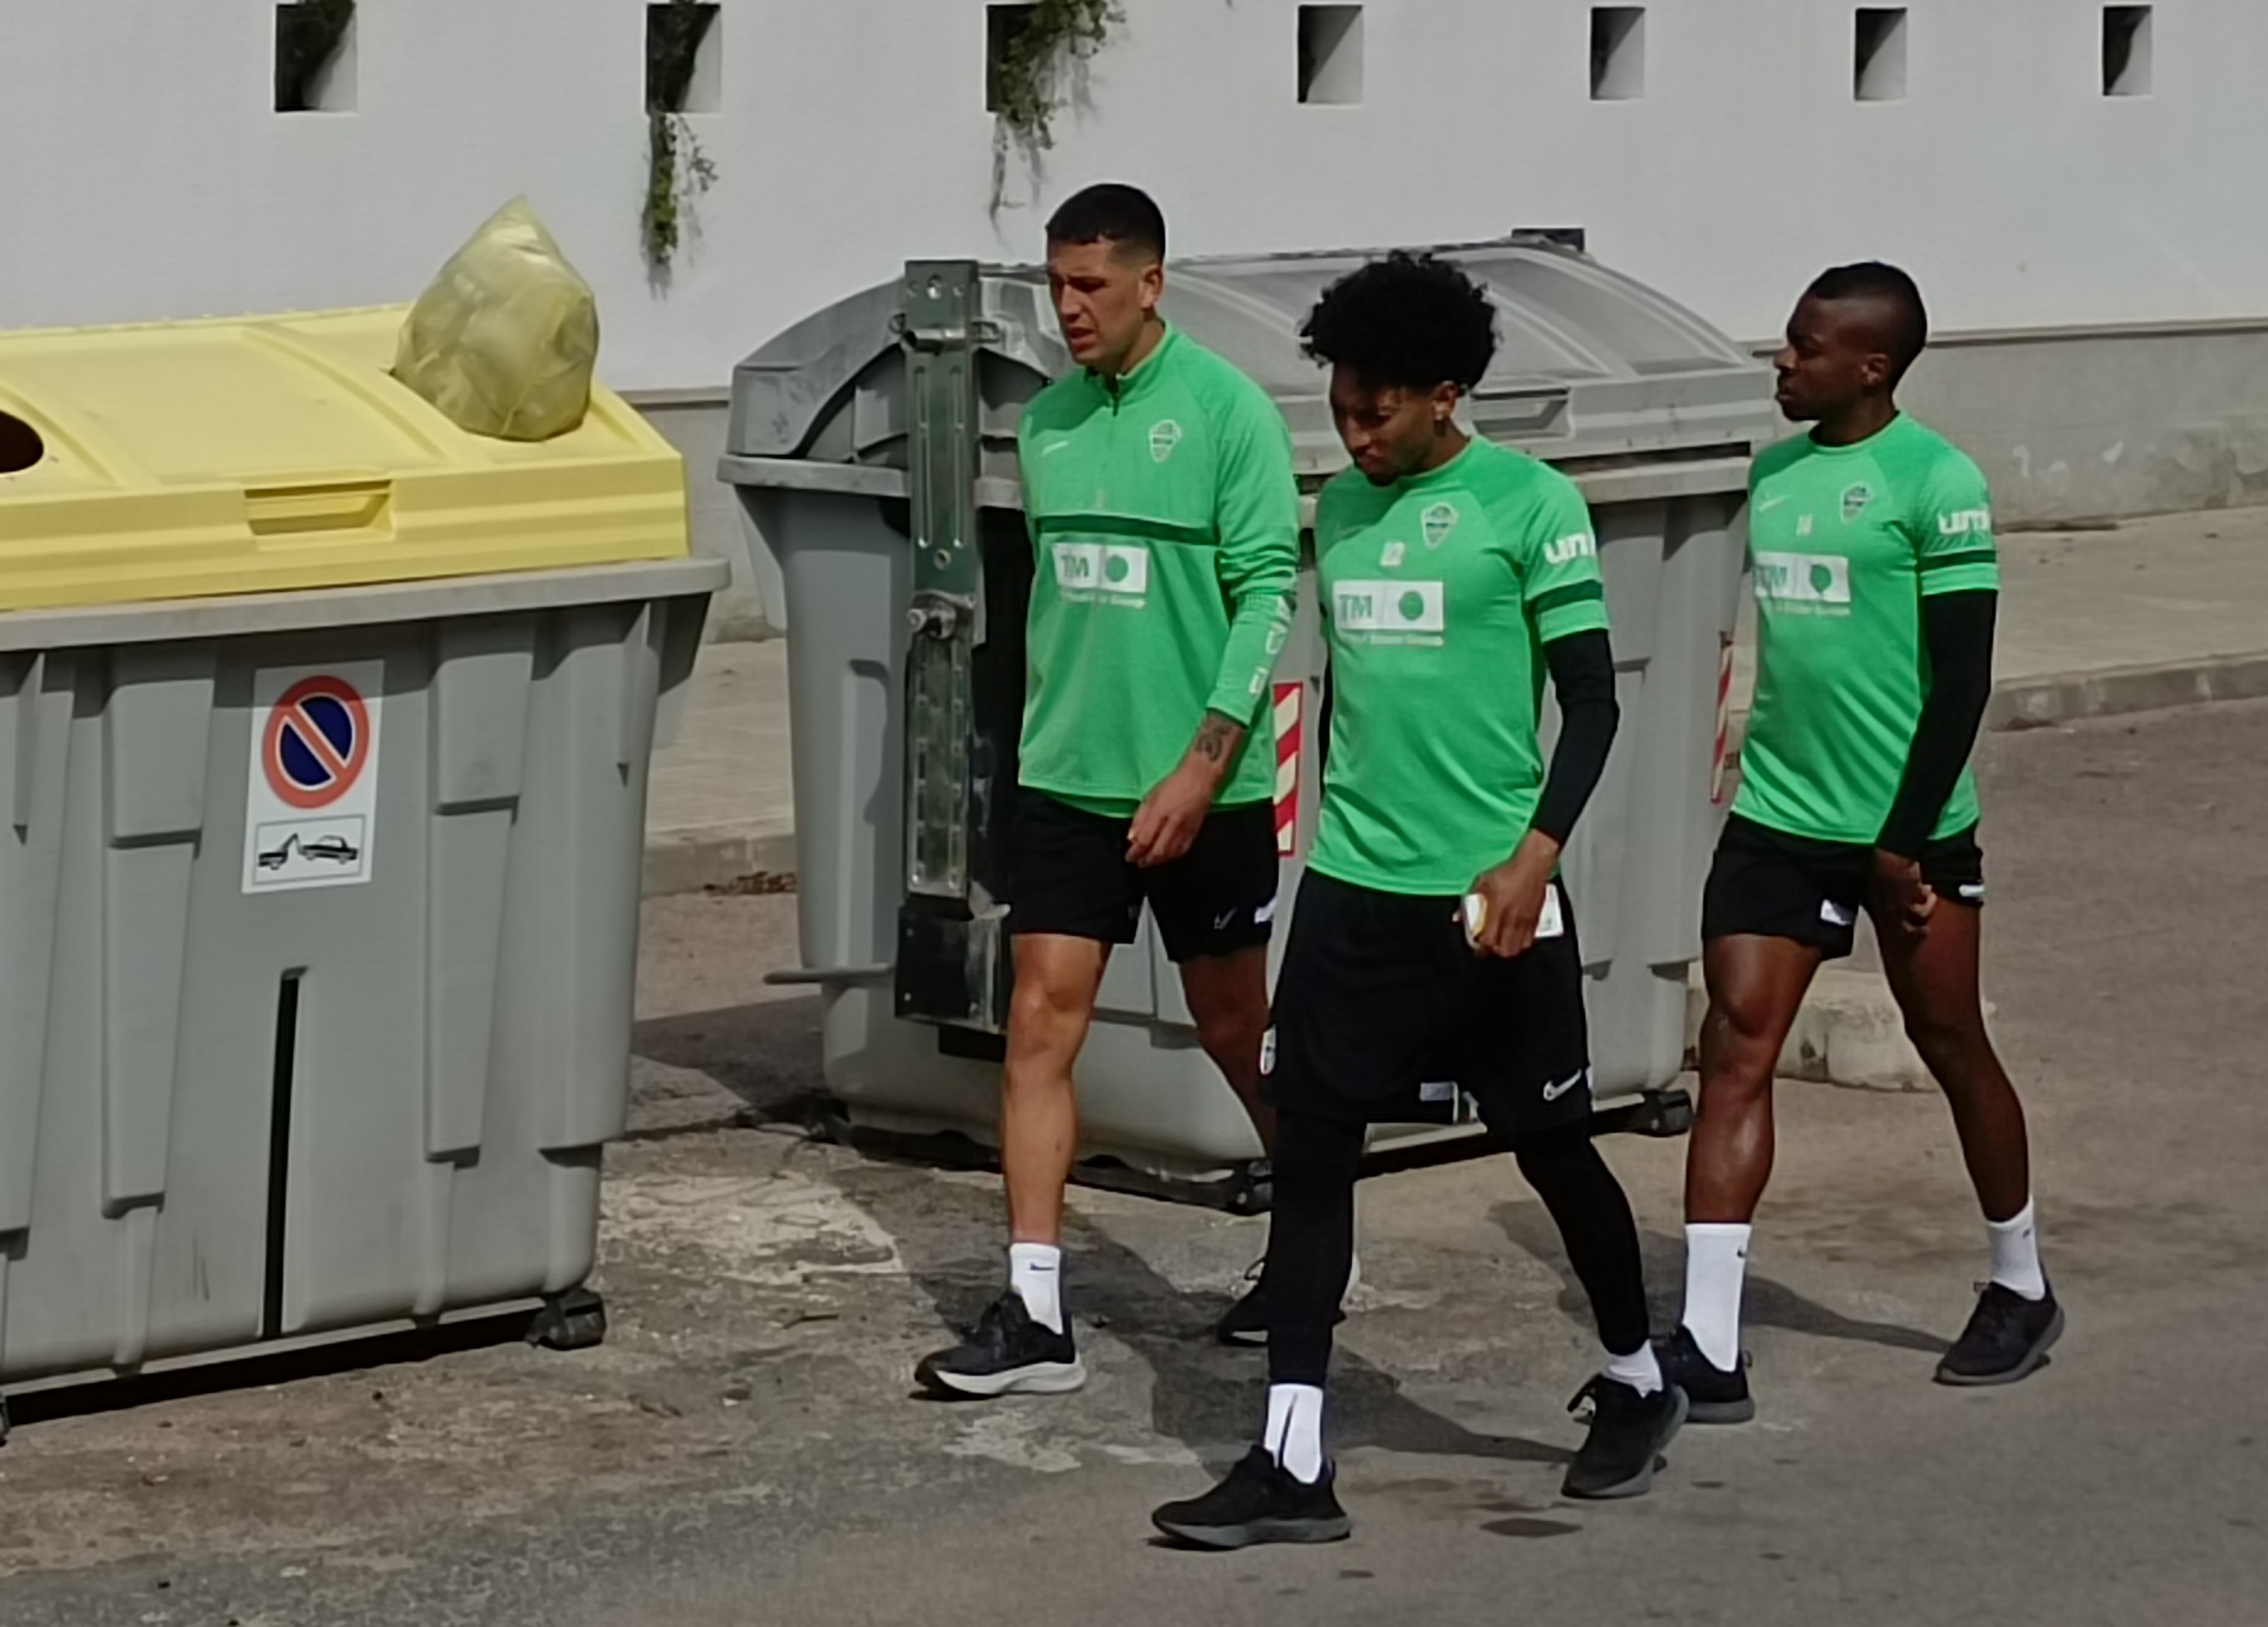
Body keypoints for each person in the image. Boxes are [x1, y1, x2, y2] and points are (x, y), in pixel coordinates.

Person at [1150, 252, 1685, 1549]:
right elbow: (1350, 701)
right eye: (1338, 404)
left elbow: (1597, 701)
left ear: (1447, 396)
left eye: (1376, 410)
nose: (1352, 429)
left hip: (1489, 902)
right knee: (1316, 1153)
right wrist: (1328, 846)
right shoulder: (1340, 511)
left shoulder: (1531, 506)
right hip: (1349, 897)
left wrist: (1534, 856)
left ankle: (1636, 1375)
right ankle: (1292, 1460)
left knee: (1549, 1145)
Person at [1656, 263, 2062, 1423]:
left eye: (1804, 347)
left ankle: (2020, 1284)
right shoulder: (1774, 473)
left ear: (1870, 366)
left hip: (1914, 829)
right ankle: (1712, 1343)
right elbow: (1774, 634)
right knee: (1737, 1048)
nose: (1782, 362)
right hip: (1780, 820)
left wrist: (1900, 844)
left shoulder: (1938, 483)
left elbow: (1962, 679)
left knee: (1951, 1041)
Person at [915, 184, 1299, 1399]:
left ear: (1152, 283)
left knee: (1236, 1025)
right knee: (1038, 1021)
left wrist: (1205, 761)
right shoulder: (1049, 425)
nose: (1068, 310)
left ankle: (1314, 1243)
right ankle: (1036, 1313)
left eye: (1090, 286)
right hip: (1065, 782)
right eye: (1054, 286)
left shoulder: (1230, 413)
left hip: (1204, 790)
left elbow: (1266, 599)